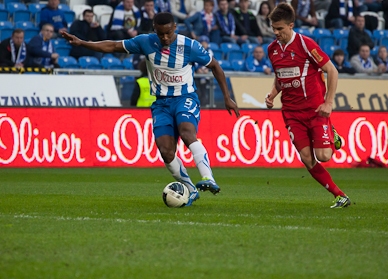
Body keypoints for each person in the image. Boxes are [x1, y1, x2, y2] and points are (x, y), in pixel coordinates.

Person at [61, 12, 240, 206]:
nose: (165, 38)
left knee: (187, 132)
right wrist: (82, 43)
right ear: (154, 29)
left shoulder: (189, 46)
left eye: (169, 33)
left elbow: (215, 66)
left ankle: (208, 178)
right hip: (161, 104)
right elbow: (112, 45)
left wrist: (228, 97)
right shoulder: (145, 42)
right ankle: (190, 188)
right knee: (166, 151)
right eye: (161, 34)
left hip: (185, 98)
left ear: (175, 29)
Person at [265, 3, 351, 208]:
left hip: (315, 110)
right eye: (273, 29)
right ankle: (340, 196)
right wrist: (273, 94)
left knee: (324, 155)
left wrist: (328, 102)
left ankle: (332, 132)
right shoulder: (272, 50)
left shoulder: (306, 44)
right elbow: (280, 76)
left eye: (280, 29)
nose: (276, 33)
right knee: (307, 158)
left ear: (291, 25)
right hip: (291, 113)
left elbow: (332, 71)